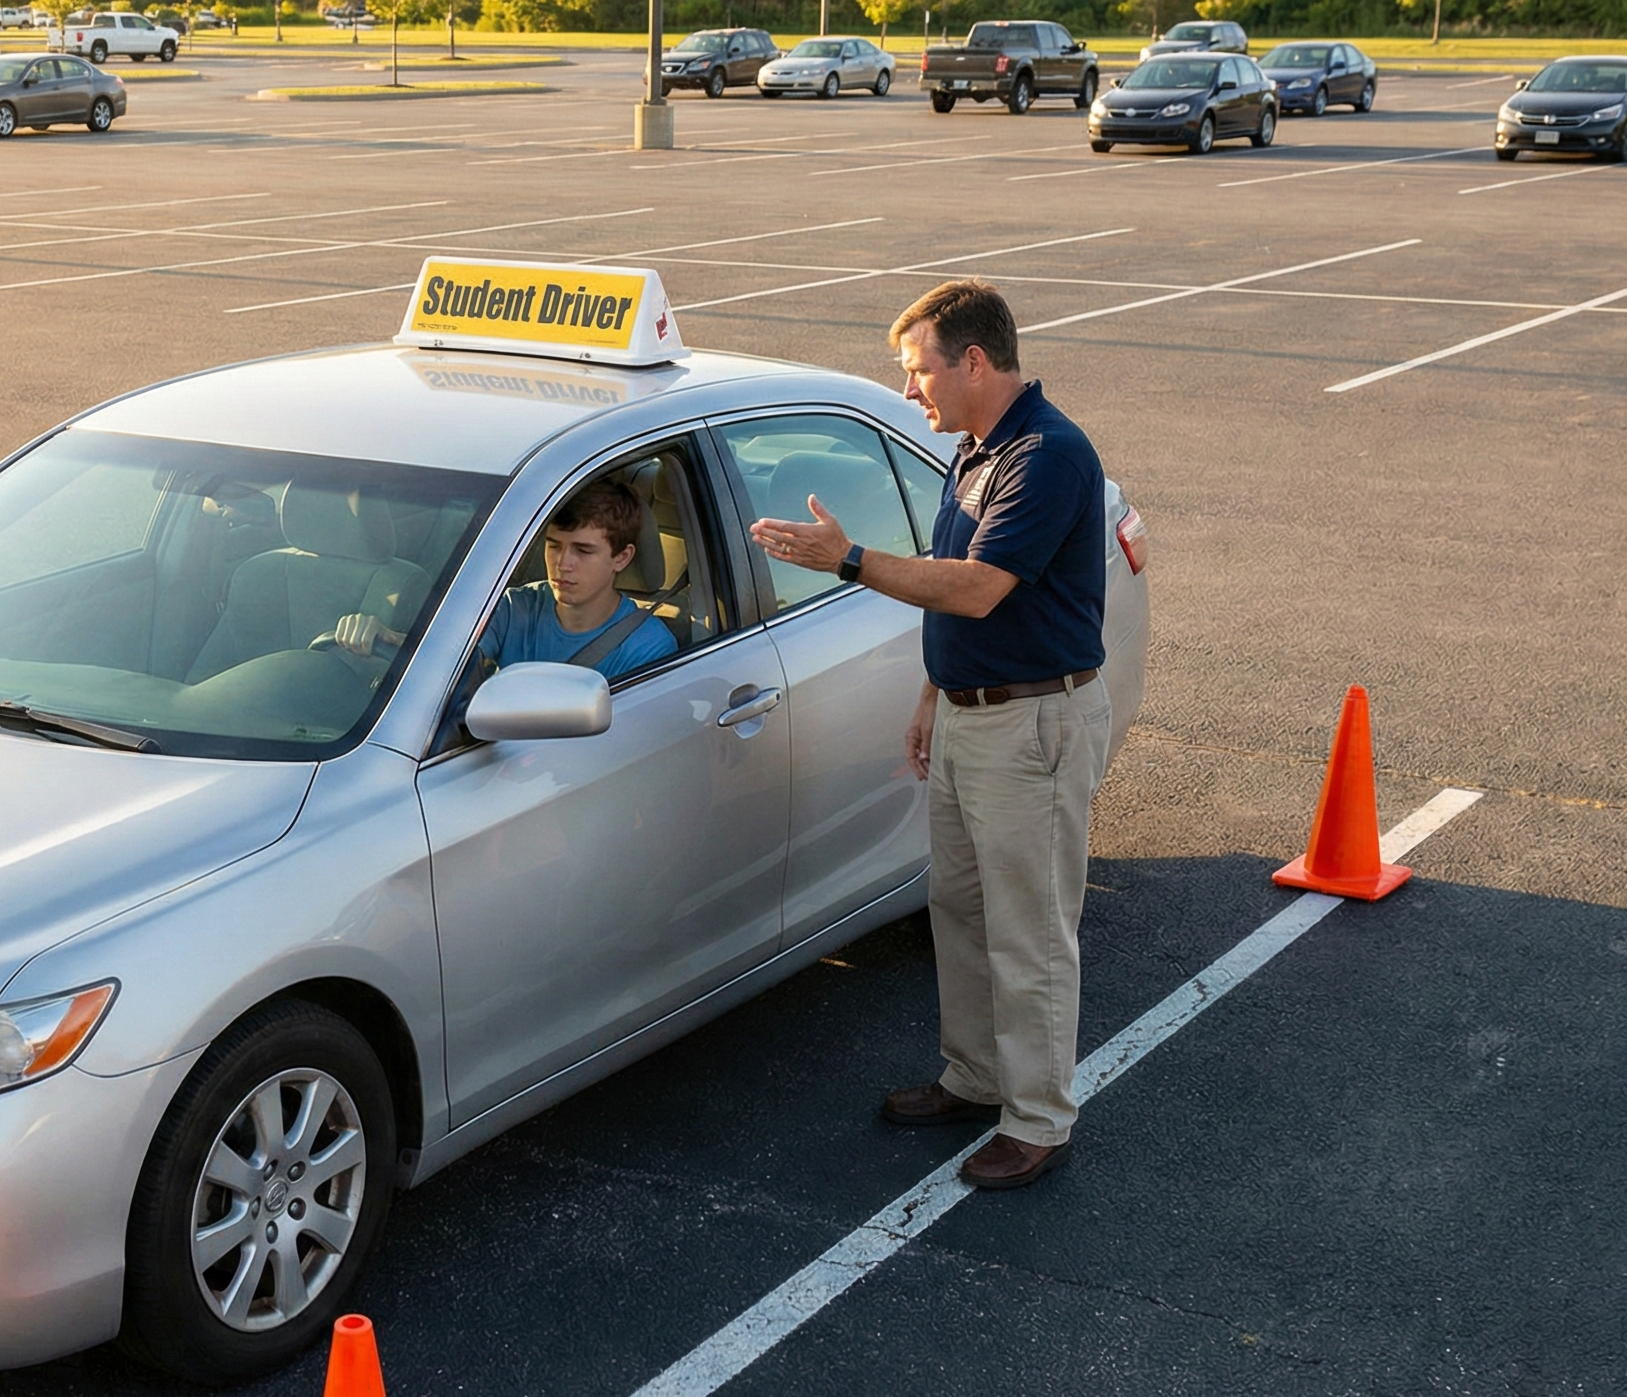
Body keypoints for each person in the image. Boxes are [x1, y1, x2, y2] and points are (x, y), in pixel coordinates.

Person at [749, 279, 1111, 1192]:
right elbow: (963, 596)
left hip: (1033, 724)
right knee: (959, 907)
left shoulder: (1047, 456)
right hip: (970, 709)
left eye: (919, 372)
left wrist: (849, 561)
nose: (912, 392)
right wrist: (933, 692)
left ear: (975, 361)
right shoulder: (976, 449)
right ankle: (979, 1076)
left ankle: (1037, 1120)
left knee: (1029, 931)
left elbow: (978, 588)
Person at [336, 481, 678, 682]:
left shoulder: (647, 648)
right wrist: (388, 640)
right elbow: (448, 660)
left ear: (621, 558)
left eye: (583, 551)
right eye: (554, 545)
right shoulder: (515, 606)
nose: (563, 564)